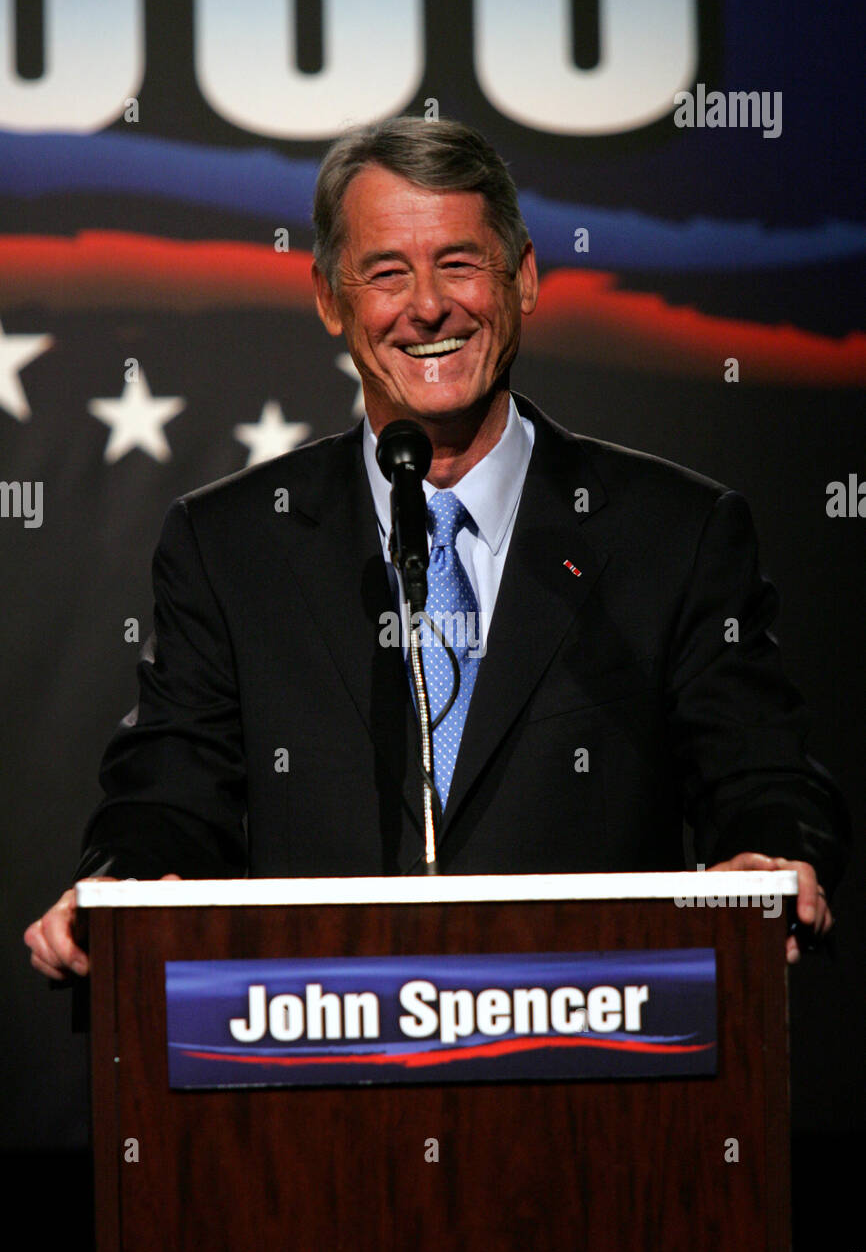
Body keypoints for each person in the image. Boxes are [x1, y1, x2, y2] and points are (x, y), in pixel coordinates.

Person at [25, 117, 848, 982]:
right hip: (317, 1060)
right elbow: (167, 797)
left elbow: (764, 774)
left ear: (523, 277)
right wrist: (119, 888)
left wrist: (769, 852)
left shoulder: (674, 533)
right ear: (329, 297)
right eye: (387, 273)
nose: (427, 307)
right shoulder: (231, 546)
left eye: (459, 263)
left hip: (596, 1063)